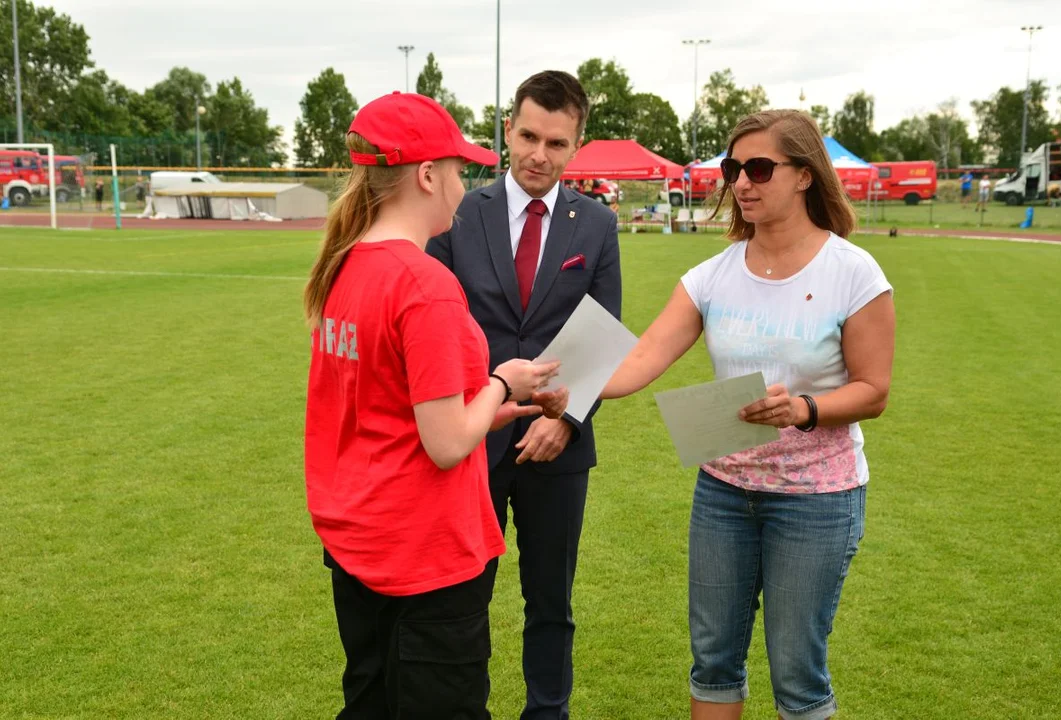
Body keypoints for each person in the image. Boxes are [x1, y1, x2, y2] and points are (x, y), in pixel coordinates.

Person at [602, 109, 895, 720]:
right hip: (724, 494)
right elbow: (643, 356)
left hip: (817, 499)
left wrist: (804, 408)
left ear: (805, 175)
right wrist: (566, 387)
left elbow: (874, 390)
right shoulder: (712, 275)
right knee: (712, 662)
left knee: (796, 674)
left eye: (758, 167)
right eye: (733, 168)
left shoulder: (853, 272)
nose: (740, 182)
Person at [303, 91, 568, 720]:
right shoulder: (423, 282)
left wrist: (482, 404)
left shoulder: (346, 265)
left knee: (371, 701)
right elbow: (446, 443)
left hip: (360, 539)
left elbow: (390, 403)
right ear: (426, 175)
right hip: (421, 549)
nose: (463, 183)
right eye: (456, 169)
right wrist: (503, 383)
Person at [427, 70, 622, 720]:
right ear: (509, 128)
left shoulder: (595, 225)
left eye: (557, 143)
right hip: (473, 438)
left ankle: (548, 712)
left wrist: (566, 421)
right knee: (461, 597)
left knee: (551, 603)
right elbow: (439, 326)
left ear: (576, 146)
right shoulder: (459, 214)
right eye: (530, 135)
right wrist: (476, 410)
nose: (540, 154)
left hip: (557, 446)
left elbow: (603, 330)